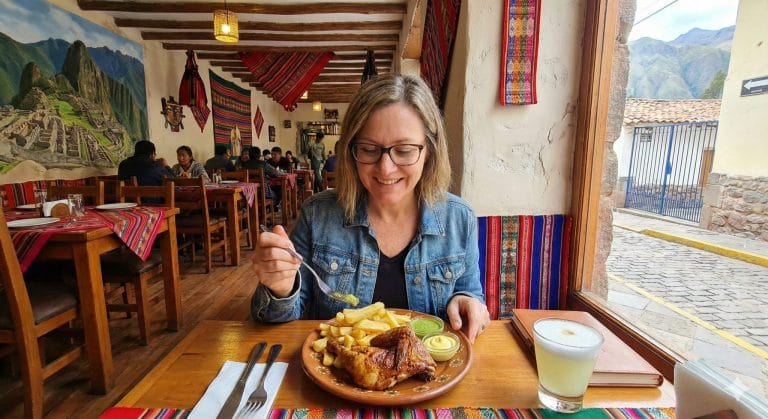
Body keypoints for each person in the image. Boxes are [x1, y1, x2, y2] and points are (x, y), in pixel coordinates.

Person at [250, 74, 490, 343]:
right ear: (351, 151)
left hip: (429, 378)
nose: (386, 168)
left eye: (405, 150)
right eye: (368, 149)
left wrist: (466, 302)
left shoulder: (459, 218)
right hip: (338, 379)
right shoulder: (317, 215)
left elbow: (469, 293)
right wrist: (282, 290)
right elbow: (282, 317)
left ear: (429, 151)